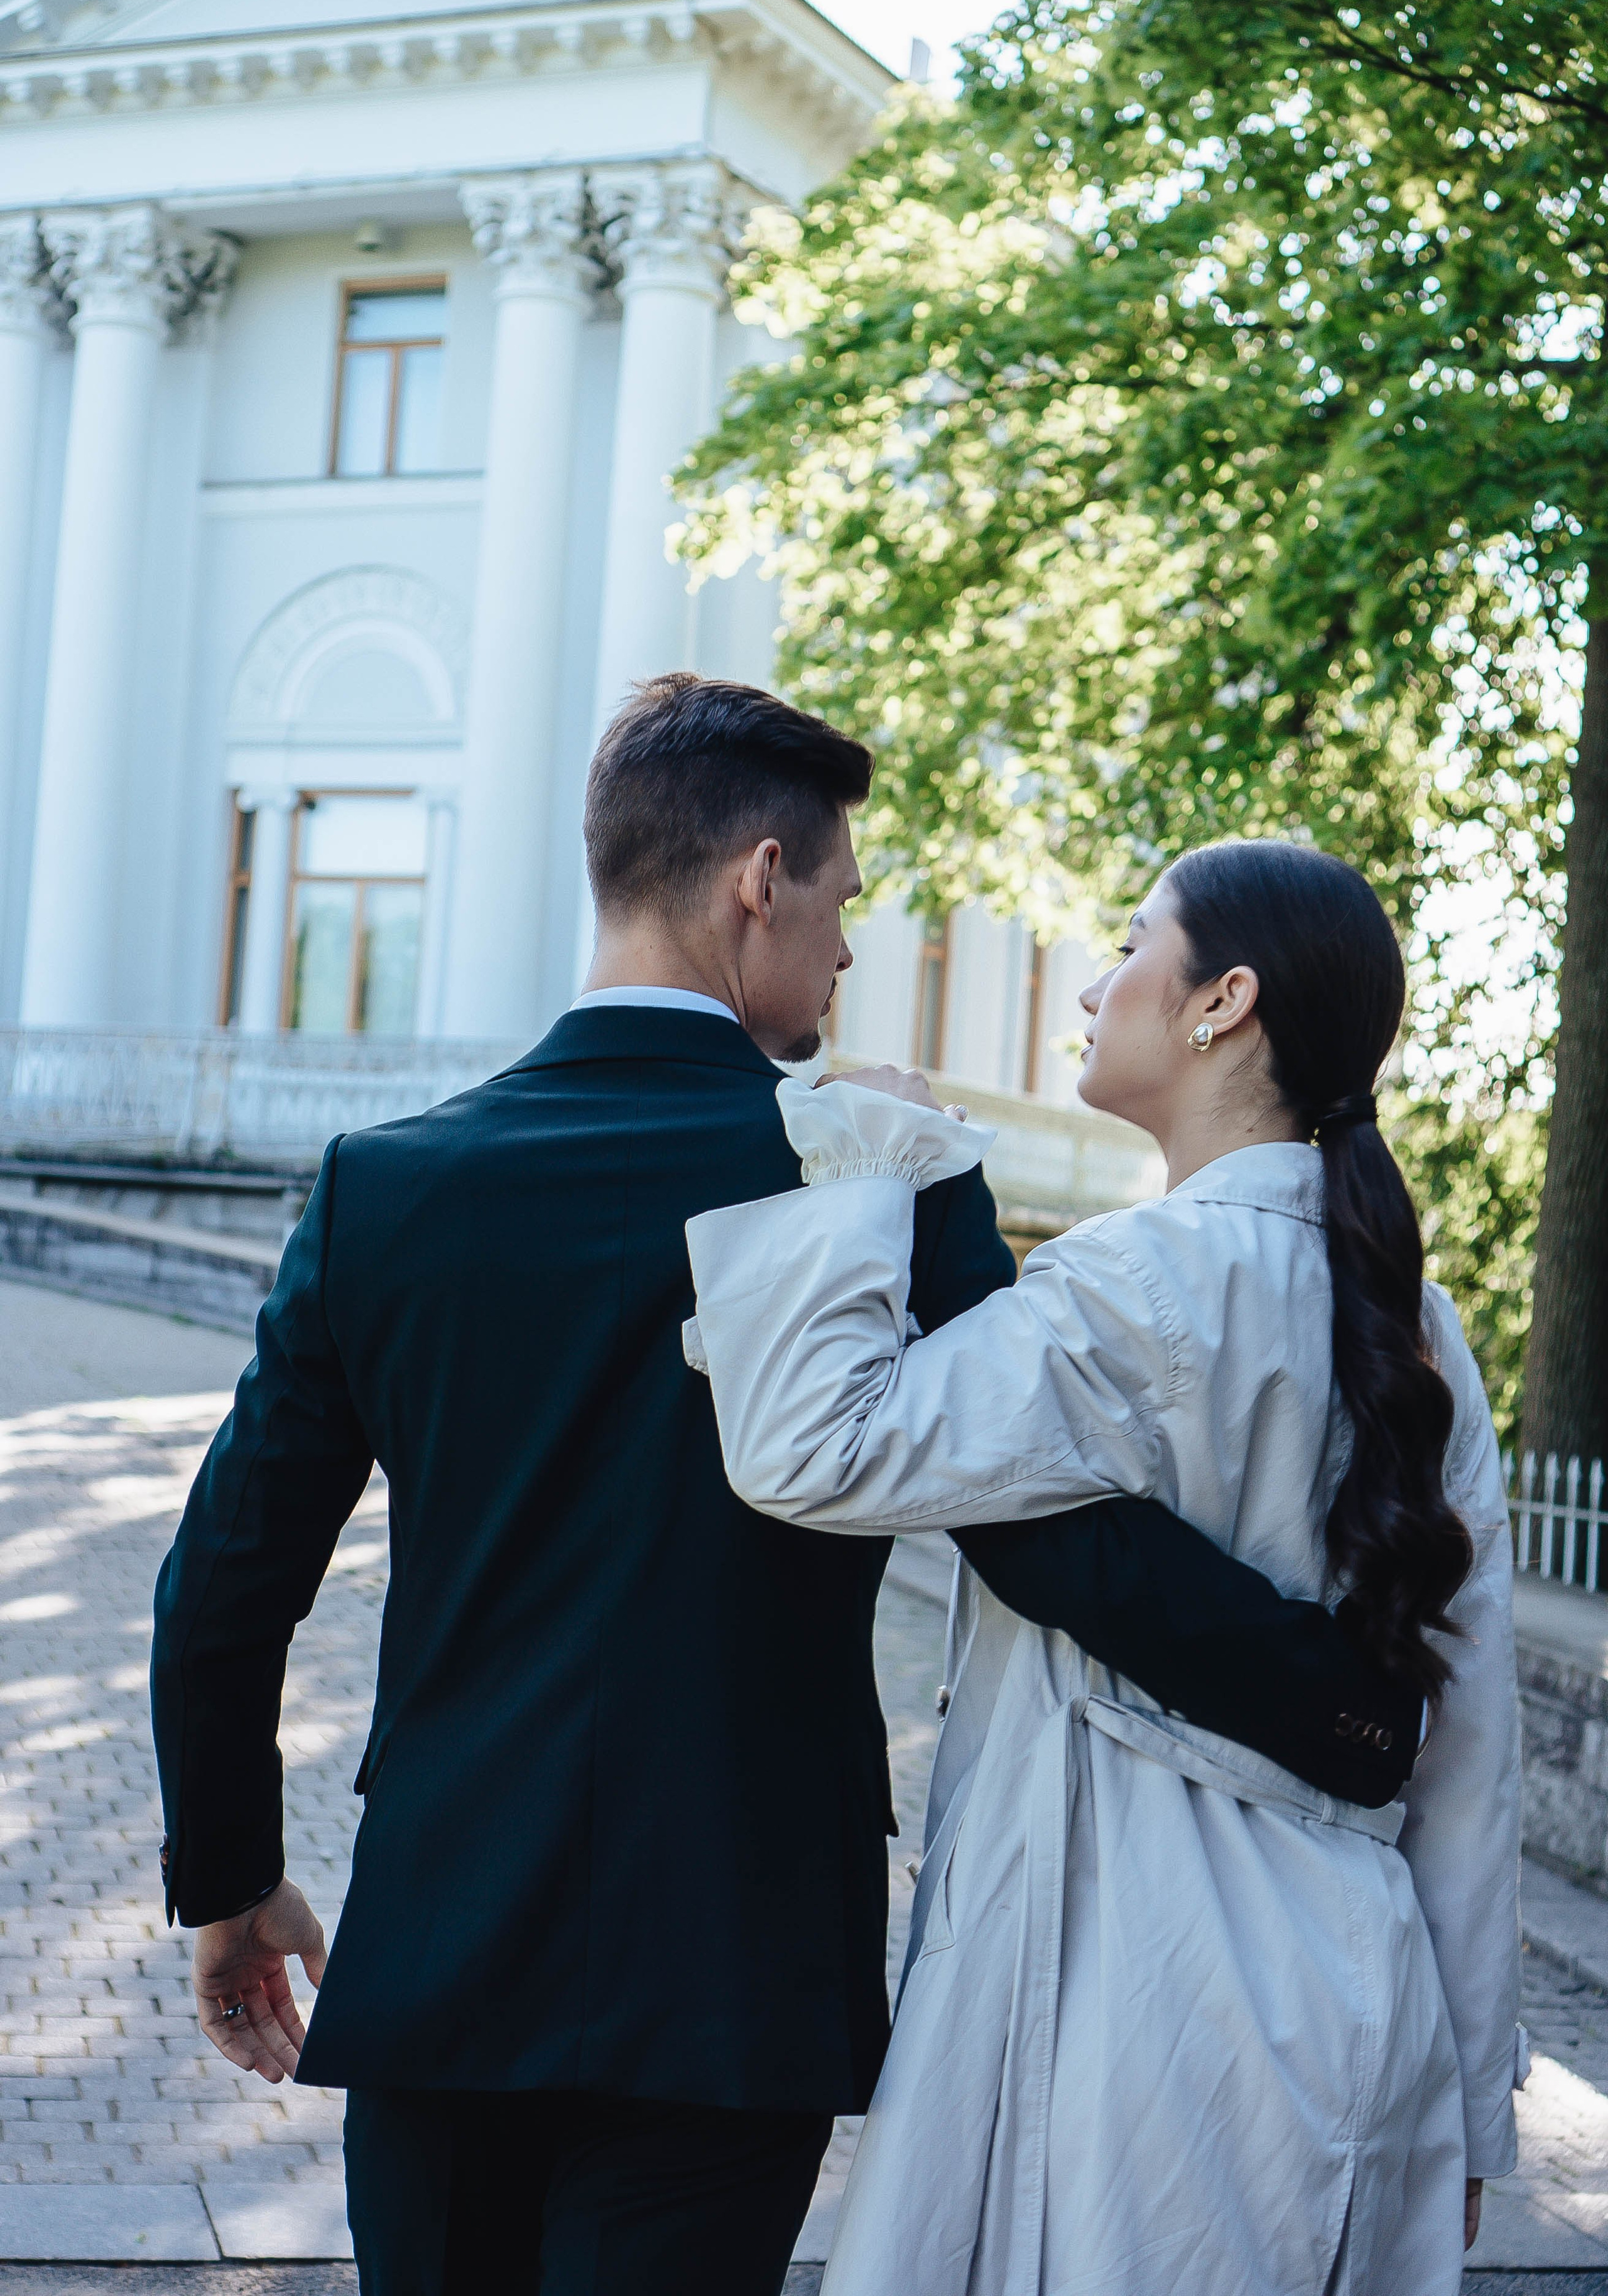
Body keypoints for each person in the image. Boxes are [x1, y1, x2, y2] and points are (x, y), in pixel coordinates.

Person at [152, 686, 1423, 2296]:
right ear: (758, 879)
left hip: (447, 1947)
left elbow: (222, 1585)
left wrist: (230, 1876)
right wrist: (1349, 1710)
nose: (841, 958)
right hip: (737, 1968)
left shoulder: (385, 1187)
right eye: (837, 906)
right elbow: (1041, 1540)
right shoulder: (888, 1181)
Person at [686, 837, 1525, 2296]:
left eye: (1132, 943)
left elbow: (810, 1447)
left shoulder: (1125, 1289)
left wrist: (868, 1159)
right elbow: (1471, 1754)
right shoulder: (1419, 1329)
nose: (1092, 982)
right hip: (1354, 1995)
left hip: (1134, 1988)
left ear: (1222, 1003)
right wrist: (1465, 2104)